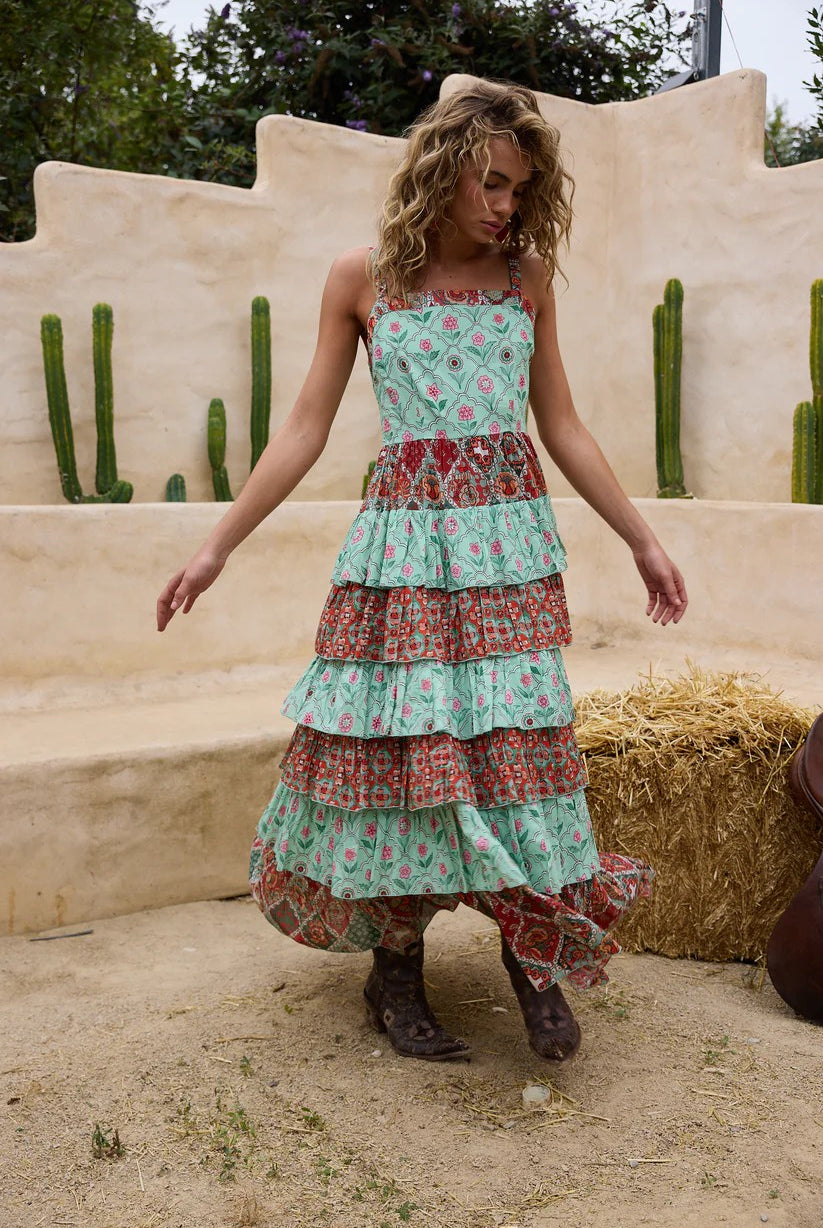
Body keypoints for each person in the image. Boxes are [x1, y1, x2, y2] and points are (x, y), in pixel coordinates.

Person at [156, 79, 687, 1064]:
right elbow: (304, 429)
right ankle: (393, 971)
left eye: (518, 191)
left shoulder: (525, 279)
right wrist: (215, 545)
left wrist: (639, 536)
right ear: (442, 170)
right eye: (490, 183)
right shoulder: (363, 279)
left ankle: (534, 962)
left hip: (506, 555)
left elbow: (558, 421)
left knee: (515, 761)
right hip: (404, 555)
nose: (503, 206)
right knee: (413, 763)